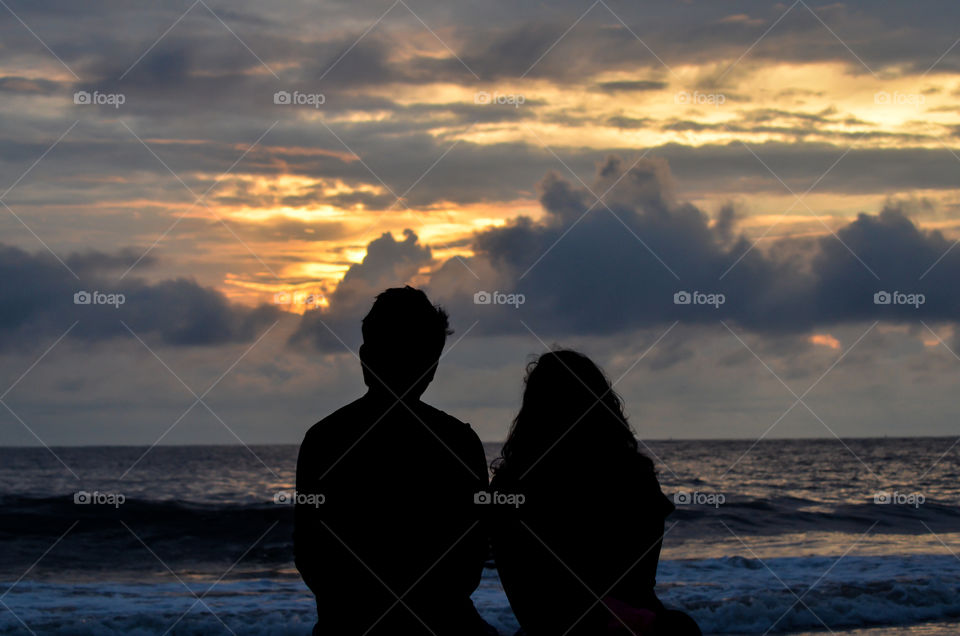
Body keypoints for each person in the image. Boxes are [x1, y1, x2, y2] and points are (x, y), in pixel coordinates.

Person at [295, 286, 496, 636]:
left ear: (364, 358)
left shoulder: (324, 439)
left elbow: (311, 553)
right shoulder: (459, 442)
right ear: (432, 366)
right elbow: (471, 559)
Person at [488, 350, 700, 636]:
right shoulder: (633, 475)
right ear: (603, 405)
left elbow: (522, 591)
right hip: (635, 624)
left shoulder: (511, 484)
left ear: (533, 411)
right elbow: (641, 579)